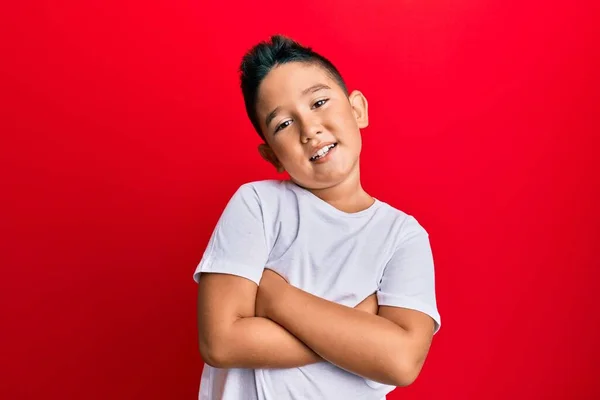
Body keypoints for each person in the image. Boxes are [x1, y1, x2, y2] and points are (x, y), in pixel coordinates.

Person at [193, 35, 441, 400]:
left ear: (357, 109)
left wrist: (276, 299)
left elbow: (401, 360)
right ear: (272, 155)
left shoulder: (403, 236)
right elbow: (221, 340)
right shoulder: (258, 205)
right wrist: (360, 337)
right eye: (283, 125)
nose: (310, 130)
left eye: (319, 102)